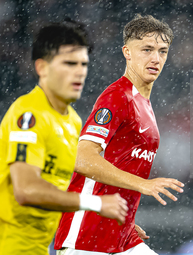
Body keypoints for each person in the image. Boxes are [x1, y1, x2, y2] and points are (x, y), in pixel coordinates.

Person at [54, 14, 184, 255]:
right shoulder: (117, 96)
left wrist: (127, 220)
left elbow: (119, 162)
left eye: (163, 51)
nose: (156, 58)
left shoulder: (144, 103)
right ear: (127, 52)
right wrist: (143, 185)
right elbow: (82, 159)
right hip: (87, 238)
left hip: (120, 236)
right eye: (147, 49)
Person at [0, 20, 128, 255]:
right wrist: (97, 204)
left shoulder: (72, 121)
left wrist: (116, 222)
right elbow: (26, 190)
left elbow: (61, 194)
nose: (79, 71)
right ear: (42, 68)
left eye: (83, 64)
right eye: (69, 63)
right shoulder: (29, 114)